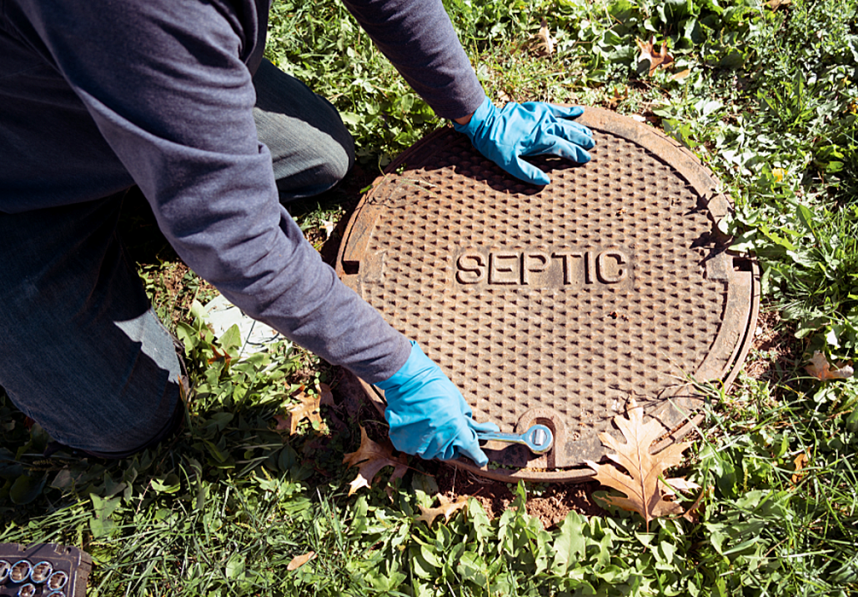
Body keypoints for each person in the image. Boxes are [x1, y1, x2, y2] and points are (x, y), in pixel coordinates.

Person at [0, 0, 594, 466]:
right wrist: (396, 367)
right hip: (23, 179)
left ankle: (170, 131)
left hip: (126, 63)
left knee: (323, 157)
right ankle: (162, 146)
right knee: (123, 417)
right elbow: (237, 236)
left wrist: (473, 109)